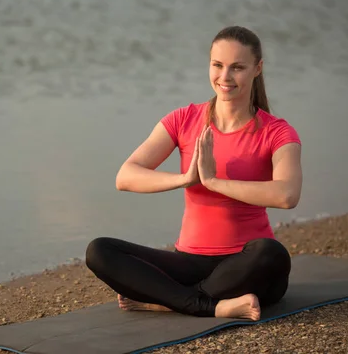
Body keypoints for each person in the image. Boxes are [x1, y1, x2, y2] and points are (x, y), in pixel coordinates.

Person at [85, 25, 303, 321]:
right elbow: (126, 176)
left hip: (248, 266)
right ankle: (209, 304)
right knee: (100, 250)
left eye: (237, 67)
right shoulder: (183, 119)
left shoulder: (276, 132)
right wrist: (186, 179)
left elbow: (287, 195)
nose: (225, 77)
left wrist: (214, 182)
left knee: (272, 253)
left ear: (257, 69)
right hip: (188, 262)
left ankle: (167, 301)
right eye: (217, 65)